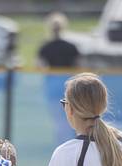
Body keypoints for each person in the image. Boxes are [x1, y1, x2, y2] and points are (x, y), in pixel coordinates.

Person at [38, 12, 81, 145]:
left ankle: (64, 145)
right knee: (73, 116)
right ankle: (73, 143)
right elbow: (78, 65)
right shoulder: (71, 46)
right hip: (69, 83)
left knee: (59, 120)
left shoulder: (46, 46)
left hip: (53, 83)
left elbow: (39, 65)